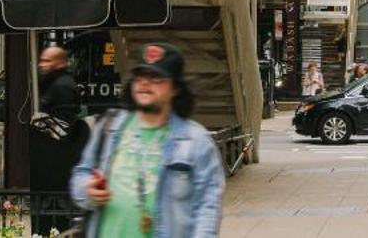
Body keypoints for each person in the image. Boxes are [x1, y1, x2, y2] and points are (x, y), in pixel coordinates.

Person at [70, 41, 224, 238]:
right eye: (140, 77)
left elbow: (207, 207)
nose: (144, 83)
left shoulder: (195, 141)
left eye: (156, 78)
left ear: (175, 88)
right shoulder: (109, 127)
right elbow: (81, 174)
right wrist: (87, 189)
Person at [32, 44, 87, 233]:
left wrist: (38, 123)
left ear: (59, 63)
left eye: (47, 61)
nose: (41, 65)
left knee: (54, 220)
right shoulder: (54, 83)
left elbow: (64, 128)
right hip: (50, 167)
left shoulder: (62, 86)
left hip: (56, 168)